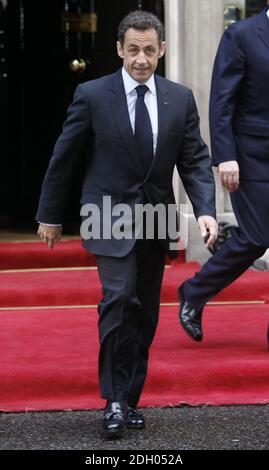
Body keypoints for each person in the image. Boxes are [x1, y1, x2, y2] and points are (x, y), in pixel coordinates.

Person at [36, 10, 217, 439]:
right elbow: (65, 156)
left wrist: (205, 209)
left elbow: (194, 161)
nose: (141, 59)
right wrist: (50, 214)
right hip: (107, 214)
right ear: (120, 49)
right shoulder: (93, 94)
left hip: (155, 219)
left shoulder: (180, 98)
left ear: (162, 51)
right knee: (118, 299)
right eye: (133, 50)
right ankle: (114, 400)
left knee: (146, 313)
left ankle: (129, 397)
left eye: (149, 50)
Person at [178, 6, 269, 343]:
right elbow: (222, 100)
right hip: (250, 157)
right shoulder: (242, 34)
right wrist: (225, 156)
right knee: (257, 237)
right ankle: (194, 291)